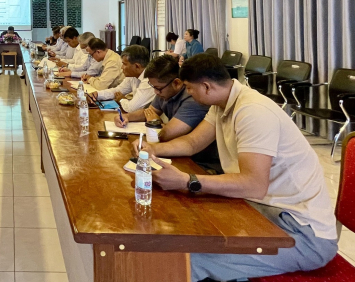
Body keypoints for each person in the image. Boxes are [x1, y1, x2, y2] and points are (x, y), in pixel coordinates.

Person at [138, 54, 337, 281]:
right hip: (261, 209)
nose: (189, 94)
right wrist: (153, 149)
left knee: (185, 258)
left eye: (190, 89)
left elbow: (254, 185)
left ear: (207, 86)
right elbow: (193, 142)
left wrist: (187, 180)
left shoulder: (253, 111)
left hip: (300, 232)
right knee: (185, 222)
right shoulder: (222, 104)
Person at [115, 54, 221, 172]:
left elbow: (166, 135)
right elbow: (149, 112)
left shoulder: (195, 99)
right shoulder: (164, 90)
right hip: (181, 152)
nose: (156, 92)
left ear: (177, 83)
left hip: (200, 162)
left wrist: (155, 122)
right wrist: (127, 116)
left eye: (158, 88)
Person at [92, 45, 154, 113]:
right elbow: (118, 91)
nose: (122, 67)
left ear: (137, 66)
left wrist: (121, 99)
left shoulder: (149, 81)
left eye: (124, 64)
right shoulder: (133, 76)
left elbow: (131, 108)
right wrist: (97, 94)